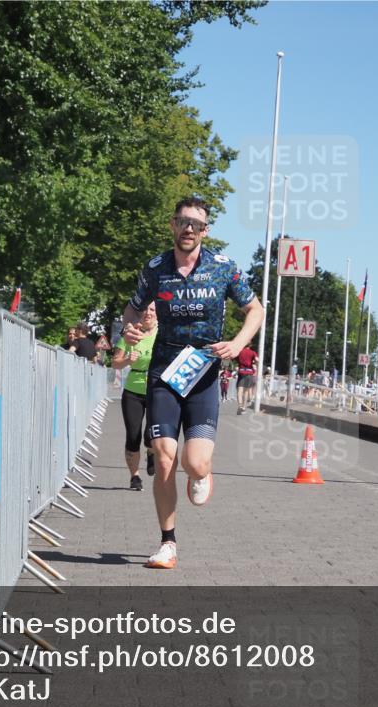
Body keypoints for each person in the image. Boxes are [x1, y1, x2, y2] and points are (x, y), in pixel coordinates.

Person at [121, 197, 264, 570]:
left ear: (205, 231)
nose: (188, 229)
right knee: (165, 457)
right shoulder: (155, 268)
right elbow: (133, 307)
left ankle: (202, 473)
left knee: (193, 462)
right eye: (182, 222)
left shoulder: (222, 268)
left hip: (203, 372)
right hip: (165, 372)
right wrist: (130, 328)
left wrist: (238, 343)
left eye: (196, 225)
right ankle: (168, 543)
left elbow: (255, 309)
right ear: (172, 225)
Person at [111, 302, 157, 491]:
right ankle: (134, 476)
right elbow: (115, 363)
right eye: (145, 309)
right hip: (133, 391)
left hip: (157, 390)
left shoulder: (162, 335)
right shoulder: (129, 335)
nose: (148, 313)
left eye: (153, 310)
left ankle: (151, 452)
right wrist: (127, 360)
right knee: (133, 435)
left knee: (151, 434)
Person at [235, 343, 258, 415]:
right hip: (249, 372)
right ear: (250, 345)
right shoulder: (253, 352)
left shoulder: (240, 351)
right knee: (246, 391)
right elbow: (257, 360)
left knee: (240, 390)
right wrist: (255, 364)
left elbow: (235, 358)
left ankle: (240, 406)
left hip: (241, 372)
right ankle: (244, 407)